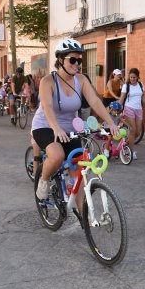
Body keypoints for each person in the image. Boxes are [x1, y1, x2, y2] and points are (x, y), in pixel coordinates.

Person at [33, 38, 119, 214]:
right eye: (73, 59)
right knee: (57, 155)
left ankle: (85, 218)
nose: (77, 64)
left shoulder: (81, 80)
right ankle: (43, 179)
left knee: (78, 174)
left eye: (79, 60)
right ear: (60, 60)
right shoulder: (48, 81)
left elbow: (94, 101)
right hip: (45, 125)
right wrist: (56, 128)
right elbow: (48, 106)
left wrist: (110, 122)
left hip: (70, 128)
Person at [118, 68, 145, 160]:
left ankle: (127, 143)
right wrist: (117, 109)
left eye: (134, 77)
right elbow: (121, 99)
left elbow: (143, 98)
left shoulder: (140, 85)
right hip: (129, 108)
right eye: (131, 77)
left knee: (138, 132)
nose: (132, 79)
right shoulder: (126, 86)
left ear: (138, 77)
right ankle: (131, 152)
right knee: (133, 130)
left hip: (139, 109)